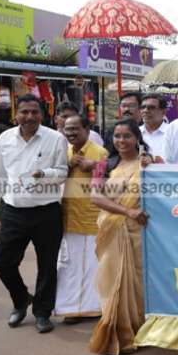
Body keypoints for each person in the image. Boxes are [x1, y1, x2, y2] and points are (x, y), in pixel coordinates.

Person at [0, 94, 68, 333]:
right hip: (14, 211)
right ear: (16, 114)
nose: (29, 116)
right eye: (24, 112)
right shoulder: (5, 139)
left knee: (47, 266)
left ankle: (42, 312)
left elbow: (62, 172)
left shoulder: (55, 138)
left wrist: (43, 174)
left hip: (47, 211)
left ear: (42, 114)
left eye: (34, 112)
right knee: (2, 261)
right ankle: (21, 298)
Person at [89, 119, 161, 355]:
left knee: (138, 282)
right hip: (112, 228)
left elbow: (166, 192)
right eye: (117, 136)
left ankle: (140, 330)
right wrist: (128, 211)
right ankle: (118, 332)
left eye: (127, 136)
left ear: (137, 139)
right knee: (113, 280)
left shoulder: (151, 163)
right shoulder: (105, 165)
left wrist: (151, 169)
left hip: (142, 231)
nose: (121, 141)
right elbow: (96, 197)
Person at [56, 115, 109, 324]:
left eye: (75, 128)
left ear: (87, 130)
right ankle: (71, 307)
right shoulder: (64, 152)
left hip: (91, 218)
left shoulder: (100, 152)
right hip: (69, 216)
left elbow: (112, 181)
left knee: (92, 266)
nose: (70, 133)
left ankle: (92, 308)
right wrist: (67, 165)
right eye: (67, 129)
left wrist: (96, 166)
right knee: (69, 266)